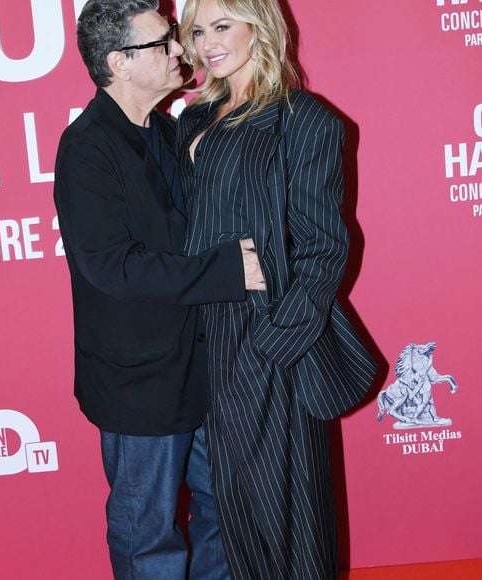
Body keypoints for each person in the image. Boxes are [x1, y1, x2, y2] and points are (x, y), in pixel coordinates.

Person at [53, 1, 264, 578]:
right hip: (138, 384)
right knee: (147, 533)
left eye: (175, 38)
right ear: (119, 63)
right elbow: (113, 267)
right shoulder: (87, 149)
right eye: (162, 44)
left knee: (224, 509)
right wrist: (229, 272)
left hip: (204, 367)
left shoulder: (170, 131)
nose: (180, 51)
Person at [177, 0, 378, 577]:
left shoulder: (304, 120)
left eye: (222, 26)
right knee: (229, 517)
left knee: (286, 518)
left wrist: (272, 348)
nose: (208, 42)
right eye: (197, 31)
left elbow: (323, 249)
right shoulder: (193, 119)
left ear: (258, 25)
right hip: (200, 341)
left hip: (265, 338)